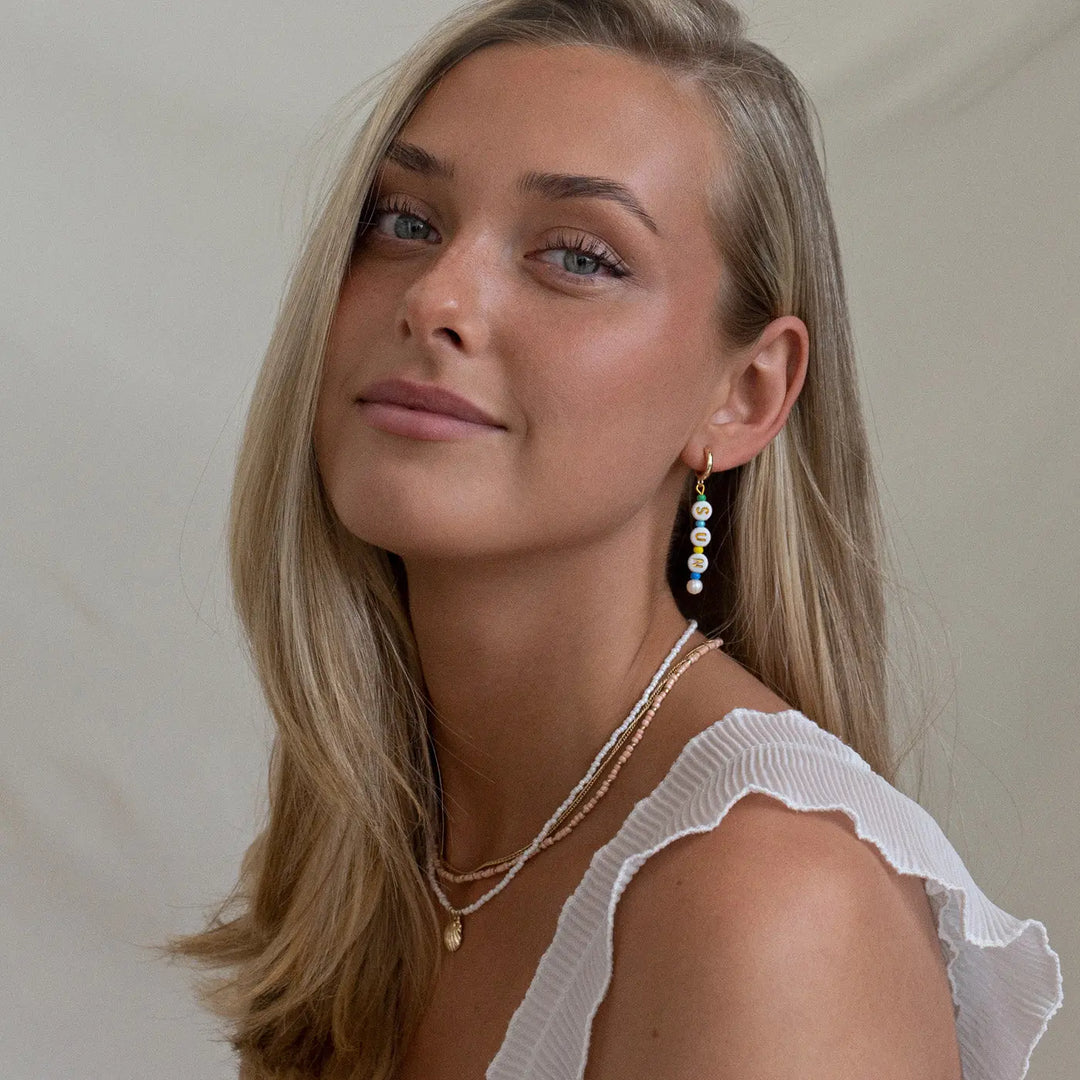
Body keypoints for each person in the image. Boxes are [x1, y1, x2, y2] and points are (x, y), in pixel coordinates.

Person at [166, 1, 1063, 1077]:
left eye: (578, 256)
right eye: (405, 222)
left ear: (745, 394)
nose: (437, 298)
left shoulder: (772, 904)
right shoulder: (386, 830)